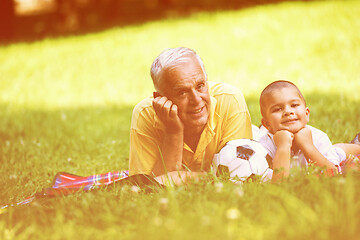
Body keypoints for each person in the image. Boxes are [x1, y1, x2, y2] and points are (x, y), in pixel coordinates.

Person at [129, 47, 253, 177]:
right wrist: (173, 132)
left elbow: (238, 175)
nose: (196, 100)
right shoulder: (145, 114)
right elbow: (150, 187)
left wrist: (181, 178)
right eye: (182, 92)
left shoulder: (230, 99)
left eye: (200, 86)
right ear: (160, 98)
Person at [258, 80, 360, 181]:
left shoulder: (318, 137)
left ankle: (357, 143)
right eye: (277, 109)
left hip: (325, 153)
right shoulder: (263, 148)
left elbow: (332, 173)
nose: (288, 112)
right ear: (267, 124)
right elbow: (279, 182)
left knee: (339, 152)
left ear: (306, 114)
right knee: (336, 150)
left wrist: (308, 146)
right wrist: (283, 147)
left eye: (294, 105)